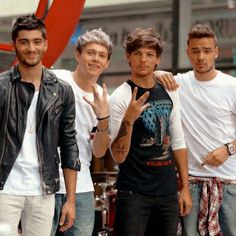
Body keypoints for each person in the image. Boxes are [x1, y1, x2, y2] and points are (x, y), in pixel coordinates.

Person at [0, 15, 80, 236]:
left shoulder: (62, 90)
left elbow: (69, 145)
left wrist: (70, 200)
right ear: (15, 45)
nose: (31, 48)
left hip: (43, 190)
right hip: (5, 189)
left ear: (45, 44)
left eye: (36, 41)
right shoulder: (2, 87)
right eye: (24, 41)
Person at [109, 27, 192, 236]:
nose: (143, 60)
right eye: (137, 53)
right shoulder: (120, 97)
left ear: (157, 59)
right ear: (128, 56)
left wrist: (185, 189)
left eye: (149, 55)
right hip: (133, 195)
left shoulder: (169, 91)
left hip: (168, 194)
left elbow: (178, 142)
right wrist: (129, 118)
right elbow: (118, 155)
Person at [155, 24, 236, 236]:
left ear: (216, 52)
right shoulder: (179, 83)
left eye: (207, 51)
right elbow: (148, 76)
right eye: (196, 51)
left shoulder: (232, 86)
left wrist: (228, 149)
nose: (201, 56)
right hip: (190, 183)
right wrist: (158, 72)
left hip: (229, 183)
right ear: (188, 53)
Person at [51, 28, 113, 236]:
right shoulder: (56, 79)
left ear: (107, 63)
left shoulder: (104, 99)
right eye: (90, 52)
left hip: (81, 188)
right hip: (43, 183)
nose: (96, 59)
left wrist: (103, 117)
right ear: (78, 55)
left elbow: (99, 151)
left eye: (102, 55)